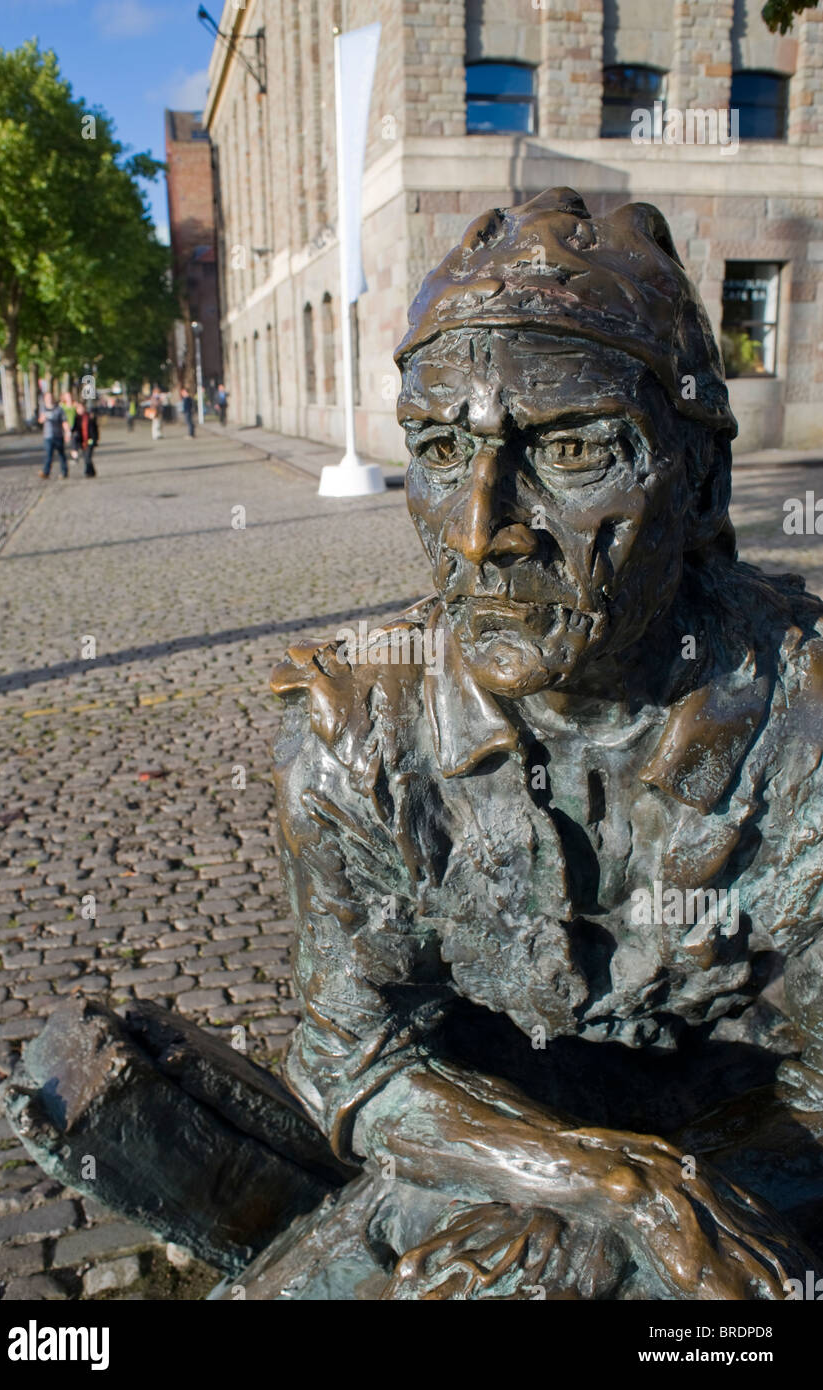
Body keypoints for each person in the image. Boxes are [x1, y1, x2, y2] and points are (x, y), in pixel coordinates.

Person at [267, 188, 823, 1300]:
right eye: (436, 446)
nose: (479, 530)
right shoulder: (359, 727)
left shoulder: (802, 726)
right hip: (478, 1153)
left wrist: (674, 1208)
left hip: (768, 1157)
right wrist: (607, 1194)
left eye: (569, 446)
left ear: (699, 479)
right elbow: (354, 1061)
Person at [38, 390, 68, 479]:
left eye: (51, 397)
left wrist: (67, 432)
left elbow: (64, 421)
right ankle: (46, 472)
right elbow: (40, 420)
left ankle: (64, 472)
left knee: (61, 455)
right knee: (48, 455)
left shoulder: (59, 409)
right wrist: (43, 418)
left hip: (58, 435)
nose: (49, 399)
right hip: (48, 436)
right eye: (47, 398)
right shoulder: (43, 408)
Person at [71, 402, 98, 477]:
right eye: (78, 408)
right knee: (86, 457)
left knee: (88, 456)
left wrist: (95, 439)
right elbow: (74, 429)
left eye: (81, 408)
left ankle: (88, 471)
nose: (80, 410)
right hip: (82, 441)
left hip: (90, 439)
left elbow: (95, 429)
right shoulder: (77, 418)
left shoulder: (90, 417)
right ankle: (92, 471)